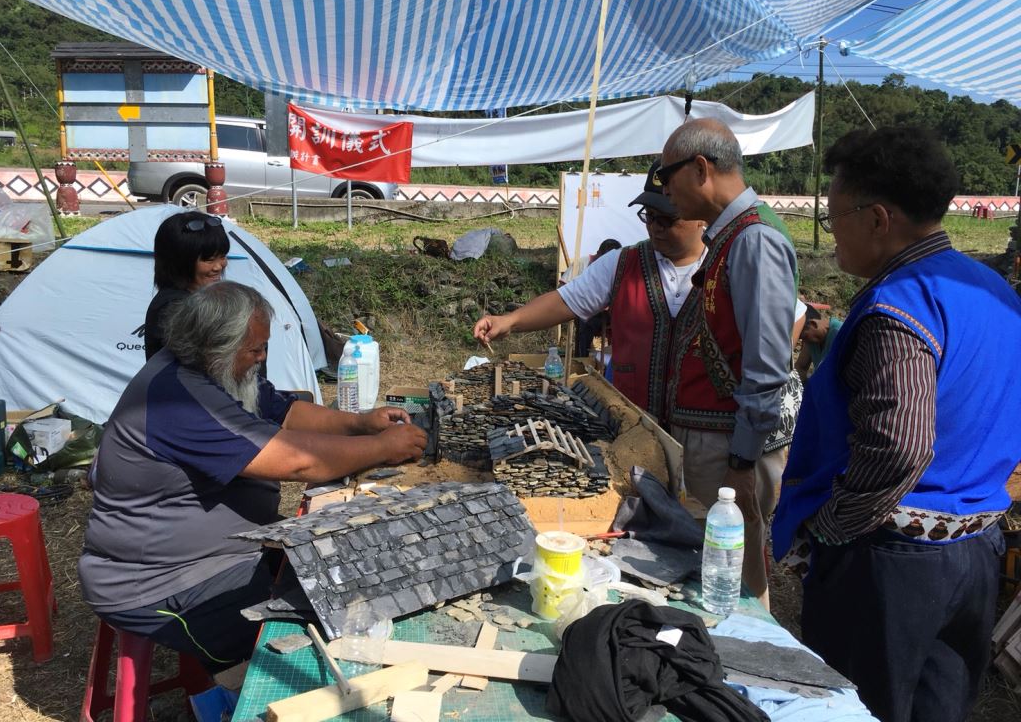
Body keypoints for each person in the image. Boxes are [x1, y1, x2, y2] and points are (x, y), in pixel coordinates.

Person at [771, 127, 1021, 722]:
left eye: (834, 219)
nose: (833, 236)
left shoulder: (901, 305)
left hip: (894, 561)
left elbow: (900, 446)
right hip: (975, 549)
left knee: (857, 709)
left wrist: (831, 528)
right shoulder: (996, 293)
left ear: (878, 219)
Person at [79, 281, 427, 670]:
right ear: (216, 347)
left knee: (342, 570)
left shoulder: (214, 370)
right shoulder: (178, 400)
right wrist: (381, 448)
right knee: (317, 623)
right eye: (255, 349)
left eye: (264, 347)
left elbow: (284, 411)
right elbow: (299, 462)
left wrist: (360, 424)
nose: (262, 358)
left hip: (223, 555)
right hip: (164, 583)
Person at [657, 118, 797, 604]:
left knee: (736, 575)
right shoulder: (734, 234)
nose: (665, 191)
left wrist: (741, 461)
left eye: (667, 176)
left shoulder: (755, 239)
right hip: (718, 442)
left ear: (700, 169)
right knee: (721, 568)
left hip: (730, 447)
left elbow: (766, 367)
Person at [473, 160, 706, 422]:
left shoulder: (725, 264)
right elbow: (565, 301)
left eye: (667, 219)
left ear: (699, 214)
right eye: (649, 216)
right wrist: (510, 321)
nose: (655, 226)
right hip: (633, 425)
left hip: (704, 428)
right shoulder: (623, 263)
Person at [144, 211, 229, 359]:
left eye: (222, 256)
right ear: (181, 262)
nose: (218, 267)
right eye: (209, 260)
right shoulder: (174, 308)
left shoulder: (201, 297)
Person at [793, 305, 842, 381]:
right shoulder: (812, 340)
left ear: (813, 324)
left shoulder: (839, 332)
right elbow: (800, 367)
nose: (803, 341)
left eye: (804, 337)